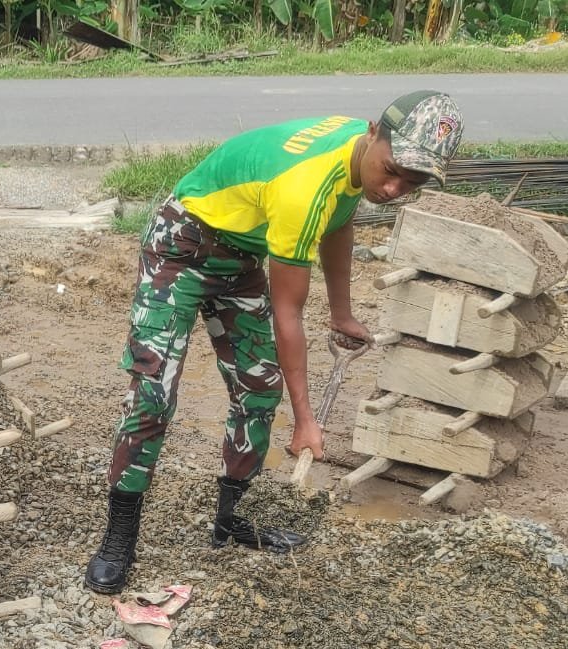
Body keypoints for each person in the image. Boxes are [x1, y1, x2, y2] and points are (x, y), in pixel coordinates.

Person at [84, 91, 464, 595]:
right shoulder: (304, 187)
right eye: (392, 170)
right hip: (182, 243)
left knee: (260, 389)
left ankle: (230, 520)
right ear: (374, 131)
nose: (393, 188)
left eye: (411, 183)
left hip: (240, 254)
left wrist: (342, 312)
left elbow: (339, 221)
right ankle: (119, 536)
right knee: (154, 394)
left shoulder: (356, 158)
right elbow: (289, 314)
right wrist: (306, 421)